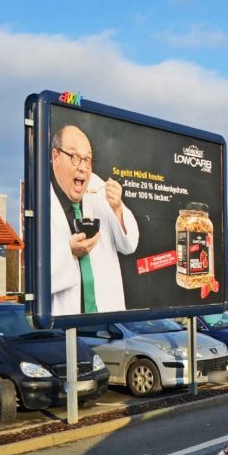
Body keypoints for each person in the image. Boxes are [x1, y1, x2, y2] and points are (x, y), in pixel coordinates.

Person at [50, 125, 139, 316]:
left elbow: (130, 244)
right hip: (66, 321)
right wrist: (71, 252)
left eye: (88, 159)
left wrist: (118, 209)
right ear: (55, 156)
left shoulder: (98, 187)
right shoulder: (40, 198)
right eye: (74, 157)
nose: (82, 167)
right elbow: (37, 273)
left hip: (108, 318)